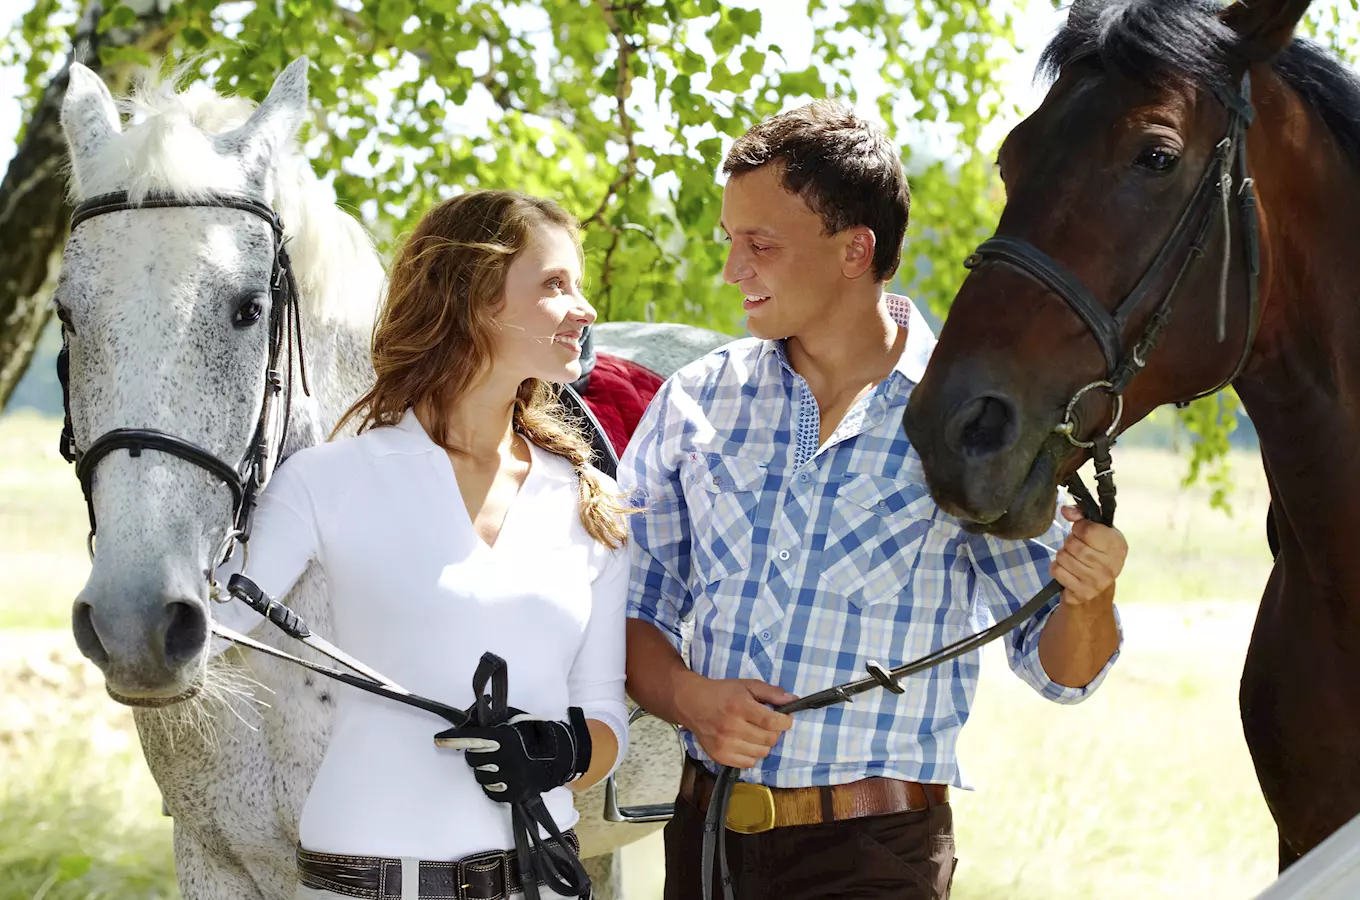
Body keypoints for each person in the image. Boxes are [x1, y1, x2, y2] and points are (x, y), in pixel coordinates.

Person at [620, 101, 1128, 900]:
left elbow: (1064, 672)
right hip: (704, 838)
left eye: (762, 245)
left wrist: (1090, 596)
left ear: (856, 250)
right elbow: (634, 611)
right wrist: (690, 697)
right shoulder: (694, 401)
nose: (732, 270)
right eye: (730, 242)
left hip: (874, 858)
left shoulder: (968, 420)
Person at [238, 190, 629, 899]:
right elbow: (206, 623)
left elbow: (605, 719)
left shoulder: (587, 499)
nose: (585, 308)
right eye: (554, 285)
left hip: (538, 882)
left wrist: (563, 750)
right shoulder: (326, 481)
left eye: (578, 285)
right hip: (363, 885)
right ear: (477, 299)